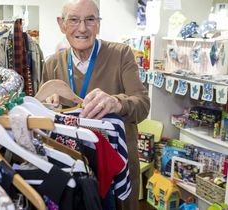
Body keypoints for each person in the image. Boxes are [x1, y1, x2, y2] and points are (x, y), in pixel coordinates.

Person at [40, 0, 150, 209]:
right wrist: (48, 104)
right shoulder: (52, 64)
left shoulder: (121, 55)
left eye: (90, 20)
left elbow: (143, 104)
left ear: (98, 24)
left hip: (118, 166)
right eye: (73, 20)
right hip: (75, 166)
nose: (82, 28)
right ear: (61, 24)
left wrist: (116, 102)